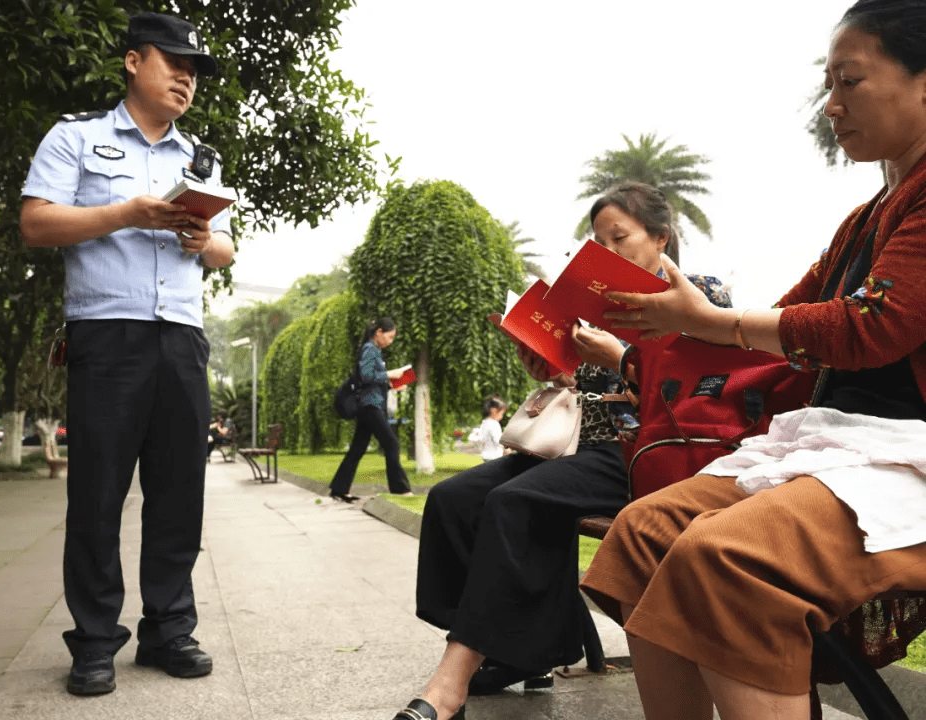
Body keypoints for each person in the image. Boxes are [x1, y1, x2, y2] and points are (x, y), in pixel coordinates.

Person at [579, 4, 926, 719]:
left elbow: (873, 325)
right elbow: (784, 328)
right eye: (827, 85)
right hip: (844, 451)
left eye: (849, 82)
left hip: (908, 458)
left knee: (726, 556)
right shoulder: (862, 222)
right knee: (642, 533)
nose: (830, 105)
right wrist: (658, 324)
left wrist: (708, 321)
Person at [390, 182, 732, 720]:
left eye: (619, 238)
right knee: (453, 499)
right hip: (576, 447)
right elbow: (587, 389)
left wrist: (621, 356)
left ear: (661, 236)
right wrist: (554, 366)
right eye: (598, 242)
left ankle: (451, 680)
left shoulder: (702, 295)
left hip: (639, 453)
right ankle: (512, 648)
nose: (607, 252)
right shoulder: (599, 310)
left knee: (515, 503)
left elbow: (699, 392)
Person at [20, 12, 235, 697]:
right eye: (173, 61)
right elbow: (36, 221)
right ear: (133, 62)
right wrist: (125, 213)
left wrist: (204, 241)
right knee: (97, 494)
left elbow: (228, 247)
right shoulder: (76, 137)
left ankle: (168, 629)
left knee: (179, 491)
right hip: (105, 335)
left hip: (181, 337)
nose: (185, 77)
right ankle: (93, 642)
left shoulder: (200, 158)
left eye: (194, 69)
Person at [330, 317, 413, 502]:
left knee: (358, 448)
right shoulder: (369, 349)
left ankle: (339, 489)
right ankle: (400, 490)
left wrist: (392, 385)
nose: (390, 342)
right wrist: (389, 374)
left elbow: (371, 381)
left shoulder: (374, 350)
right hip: (369, 406)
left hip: (370, 404)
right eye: (389, 337)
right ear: (379, 332)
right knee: (391, 444)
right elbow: (366, 376)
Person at [469, 396, 507, 462]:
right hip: (494, 457)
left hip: (486, 456)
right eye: (501, 414)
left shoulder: (485, 423)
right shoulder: (494, 424)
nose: (502, 417)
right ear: (493, 411)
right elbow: (498, 441)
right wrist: (507, 448)